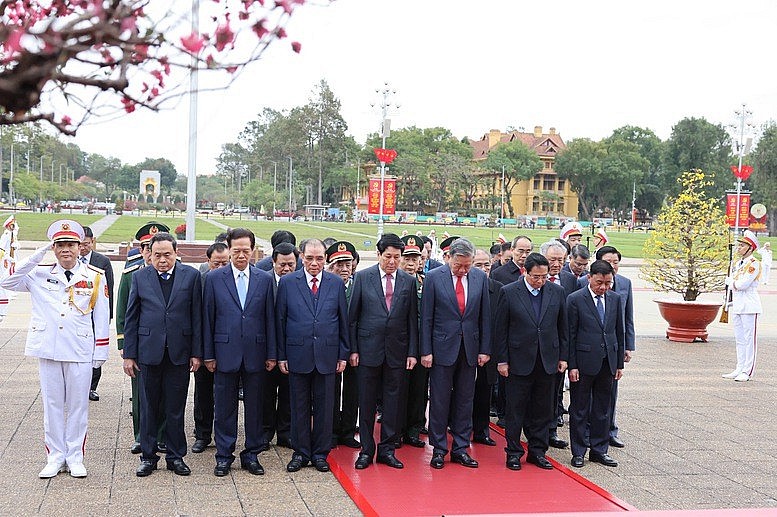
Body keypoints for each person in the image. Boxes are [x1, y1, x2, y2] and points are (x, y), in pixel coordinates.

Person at [1, 220, 110, 478]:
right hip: (49, 348)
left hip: (79, 348)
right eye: (60, 245)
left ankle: (75, 457)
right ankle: (54, 456)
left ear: (80, 247)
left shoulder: (94, 276)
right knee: (52, 405)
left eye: (71, 244)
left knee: (77, 406)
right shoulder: (39, 273)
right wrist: (38, 255)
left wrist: (100, 352)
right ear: (53, 247)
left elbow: (101, 316)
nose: (66, 250)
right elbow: (7, 282)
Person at [123, 232, 203, 477]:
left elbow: (197, 317)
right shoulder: (140, 277)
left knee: (175, 407)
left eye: (167, 254)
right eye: (157, 255)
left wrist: (197, 353)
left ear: (176, 253)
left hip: (180, 352)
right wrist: (129, 354)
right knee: (149, 406)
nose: (162, 260)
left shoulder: (191, 276)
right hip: (149, 352)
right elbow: (131, 317)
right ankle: (148, 457)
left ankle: (175, 456)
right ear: (150, 255)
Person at [202, 228, 276, 477]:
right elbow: (208, 319)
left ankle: (252, 454)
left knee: (255, 407)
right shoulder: (214, 278)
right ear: (229, 250)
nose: (242, 255)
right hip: (224, 352)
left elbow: (270, 320)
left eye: (246, 250)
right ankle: (224, 455)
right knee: (224, 408)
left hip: (256, 352)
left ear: (253, 250)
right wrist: (208, 355)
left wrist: (272, 354)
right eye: (237, 250)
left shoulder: (264, 279)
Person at [276, 238, 349, 473]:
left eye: (319, 258)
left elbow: (342, 321)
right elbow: (281, 321)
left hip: (327, 355)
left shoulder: (336, 283)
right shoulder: (288, 283)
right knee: (298, 406)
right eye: (309, 258)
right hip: (297, 354)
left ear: (325, 258)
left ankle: (320, 453)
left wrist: (343, 354)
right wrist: (281, 355)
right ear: (301, 257)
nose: (314, 263)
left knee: (325, 408)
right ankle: (300, 452)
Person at [349, 233, 418, 470]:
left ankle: (387, 449)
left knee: (393, 403)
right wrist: (354, 350)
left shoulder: (408, 281)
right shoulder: (362, 278)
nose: (392, 261)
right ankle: (366, 450)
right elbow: (353, 319)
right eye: (388, 256)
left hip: (397, 351)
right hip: (368, 350)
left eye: (396, 257)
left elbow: (412, 320)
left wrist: (412, 352)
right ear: (378, 255)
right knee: (366, 403)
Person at [421, 238, 491, 469]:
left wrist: (484, 349)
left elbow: (485, 317)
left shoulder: (480, 277)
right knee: (440, 400)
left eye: (467, 266)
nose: (463, 270)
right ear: (449, 257)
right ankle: (439, 449)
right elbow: (427, 318)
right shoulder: (434, 278)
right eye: (458, 265)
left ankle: (461, 447)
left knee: (465, 400)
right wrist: (426, 351)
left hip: (469, 348)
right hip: (441, 348)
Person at [495, 252, 568, 471]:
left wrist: (563, 357)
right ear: (525, 272)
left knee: (543, 410)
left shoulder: (557, 292)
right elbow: (501, 330)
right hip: (518, 361)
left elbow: (563, 328)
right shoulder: (509, 292)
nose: (541, 281)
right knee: (515, 410)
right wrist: (502, 361)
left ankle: (538, 451)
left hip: (547, 360)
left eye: (544, 277)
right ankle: (514, 452)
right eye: (536, 276)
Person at [115, 222, 169, 455]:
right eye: (146, 248)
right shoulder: (131, 275)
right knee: (140, 394)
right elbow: (122, 312)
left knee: (167, 394)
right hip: (141, 345)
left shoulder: (177, 274)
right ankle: (141, 435)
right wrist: (124, 345)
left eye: (154, 247)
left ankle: (163, 435)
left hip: (168, 345)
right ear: (142, 250)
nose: (150, 253)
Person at [567, 260, 624, 469]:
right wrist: (572, 365)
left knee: (603, 408)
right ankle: (579, 451)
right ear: (589, 278)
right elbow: (570, 335)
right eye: (600, 282)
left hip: (607, 361)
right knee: (580, 409)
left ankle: (599, 450)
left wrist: (619, 364)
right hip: (583, 362)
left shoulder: (615, 299)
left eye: (608, 283)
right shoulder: (575, 299)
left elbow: (619, 332)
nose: (603, 287)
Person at [589, 245, 635, 448]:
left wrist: (628, 345)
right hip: (590, 348)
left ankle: (610, 429)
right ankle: (589, 428)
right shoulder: (585, 283)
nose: (613, 266)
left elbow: (628, 318)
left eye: (616, 262)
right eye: (609, 262)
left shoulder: (625, 283)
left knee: (611, 391)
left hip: (613, 346)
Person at [191, 241, 230, 455]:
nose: (221, 267)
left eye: (225, 263)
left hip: (229, 349)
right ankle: (203, 434)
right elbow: (197, 318)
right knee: (203, 393)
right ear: (208, 262)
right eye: (217, 263)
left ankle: (224, 436)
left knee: (226, 394)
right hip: (206, 347)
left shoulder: (237, 281)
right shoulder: (202, 281)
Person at [541, 240, 577, 449]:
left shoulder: (570, 280)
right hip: (538, 345)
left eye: (560, 260)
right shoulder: (534, 278)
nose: (556, 264)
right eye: (552, 259)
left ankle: (552, 429)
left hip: (559, 345)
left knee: (556, 391)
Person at [325, 240, 360, 449]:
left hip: (355, 348)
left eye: (347, 264)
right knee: (331, 391)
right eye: (339, 264)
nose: (344, 268)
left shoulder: (359, 284)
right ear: (330, 264)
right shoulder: (326, 285)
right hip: (331, 348)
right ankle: (330, 431)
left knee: (352, 391)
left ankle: (347, 431)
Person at [263, 242, 298, 448]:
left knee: (288, 393)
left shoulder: (299, 281)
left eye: (291, 264)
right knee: (266, 394)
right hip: (267, 348)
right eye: (282, 264)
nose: (286, 269)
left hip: (292, 349)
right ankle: (265, 432)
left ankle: (285, 432)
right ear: (273, 262)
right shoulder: (263, 281)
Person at [79, 226, 115, 402]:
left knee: (95, 350)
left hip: (95, 314)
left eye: (86, 244)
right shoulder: (71, 260)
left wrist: (107, 316)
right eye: (80, 244)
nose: (83, 248)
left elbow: (110, 290)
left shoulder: (102, 261)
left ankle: (92, 386)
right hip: (77, 314)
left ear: (92, 242)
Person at [399, 235, 428, 447]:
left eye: (414, 259)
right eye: (406, 258)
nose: (410, 263)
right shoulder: (393, 282)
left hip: (420, 346)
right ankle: (396, 430)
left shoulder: (426, 283)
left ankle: (414, 429)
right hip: (397, 345)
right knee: (398, 390)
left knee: (419, 390)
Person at [471, 249, 501, 447]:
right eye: (478, 265)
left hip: (488, 349)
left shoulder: (498, 289)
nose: (483, 270)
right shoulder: (464, 286)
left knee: (484, 392)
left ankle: (481, 430)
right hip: (465, 347)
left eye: (487, 265)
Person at [723, 230, 762, 382]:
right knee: (739, 339)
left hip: (750, 306)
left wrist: (730, 283)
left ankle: (747, 371)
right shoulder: (739, 264)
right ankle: (739, 367)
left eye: (742, 246)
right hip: (738, 305)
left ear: (750, 248)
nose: (738, 248)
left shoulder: (754, 264)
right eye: (738, 245)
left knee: (749, 340)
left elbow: (742, 284)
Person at [0, 215, 19, 323]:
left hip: (11, 256)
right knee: (6, 275)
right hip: (5, 257)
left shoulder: (12, 234)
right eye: (12, 224)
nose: (14, 226)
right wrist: (7, 257)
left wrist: (16, 246)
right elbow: (1, 248)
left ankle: (11, 292)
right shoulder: (6, 235)